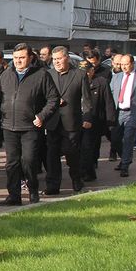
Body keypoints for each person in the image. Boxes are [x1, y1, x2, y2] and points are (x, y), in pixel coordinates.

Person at [0, 43, 59, 206]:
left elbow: (53, 99)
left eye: (22, 58)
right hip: (9, 126)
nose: (18, 61)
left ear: (30, 58)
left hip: (30, 127)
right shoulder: (6, 75)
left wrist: (41, 116)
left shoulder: (41, 75)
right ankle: (14, 196)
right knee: (11, 163)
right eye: (15, 58)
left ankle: (33, 191)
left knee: (29, 160)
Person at [43, 46, 92, 195]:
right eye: (55, 59)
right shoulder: (48, 74)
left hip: (72, 121)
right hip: (53, 121)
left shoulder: (79, 75)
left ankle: (76, 178)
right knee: (51, 154)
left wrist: (87, 117)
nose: (57, 62)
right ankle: (53, 185)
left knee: (71, 152)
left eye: (59, 59)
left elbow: (86, 99)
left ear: (67, 58)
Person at [110, 54, 136, 178]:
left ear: (132, 64)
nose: (124, 67)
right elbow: (110, 96)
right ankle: (124, 158)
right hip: (118, 112)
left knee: (128, 139)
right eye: (121, 64)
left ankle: (125, 165)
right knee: (115, 139)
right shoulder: (116, 77)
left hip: (133, 113)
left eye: (126, 64)